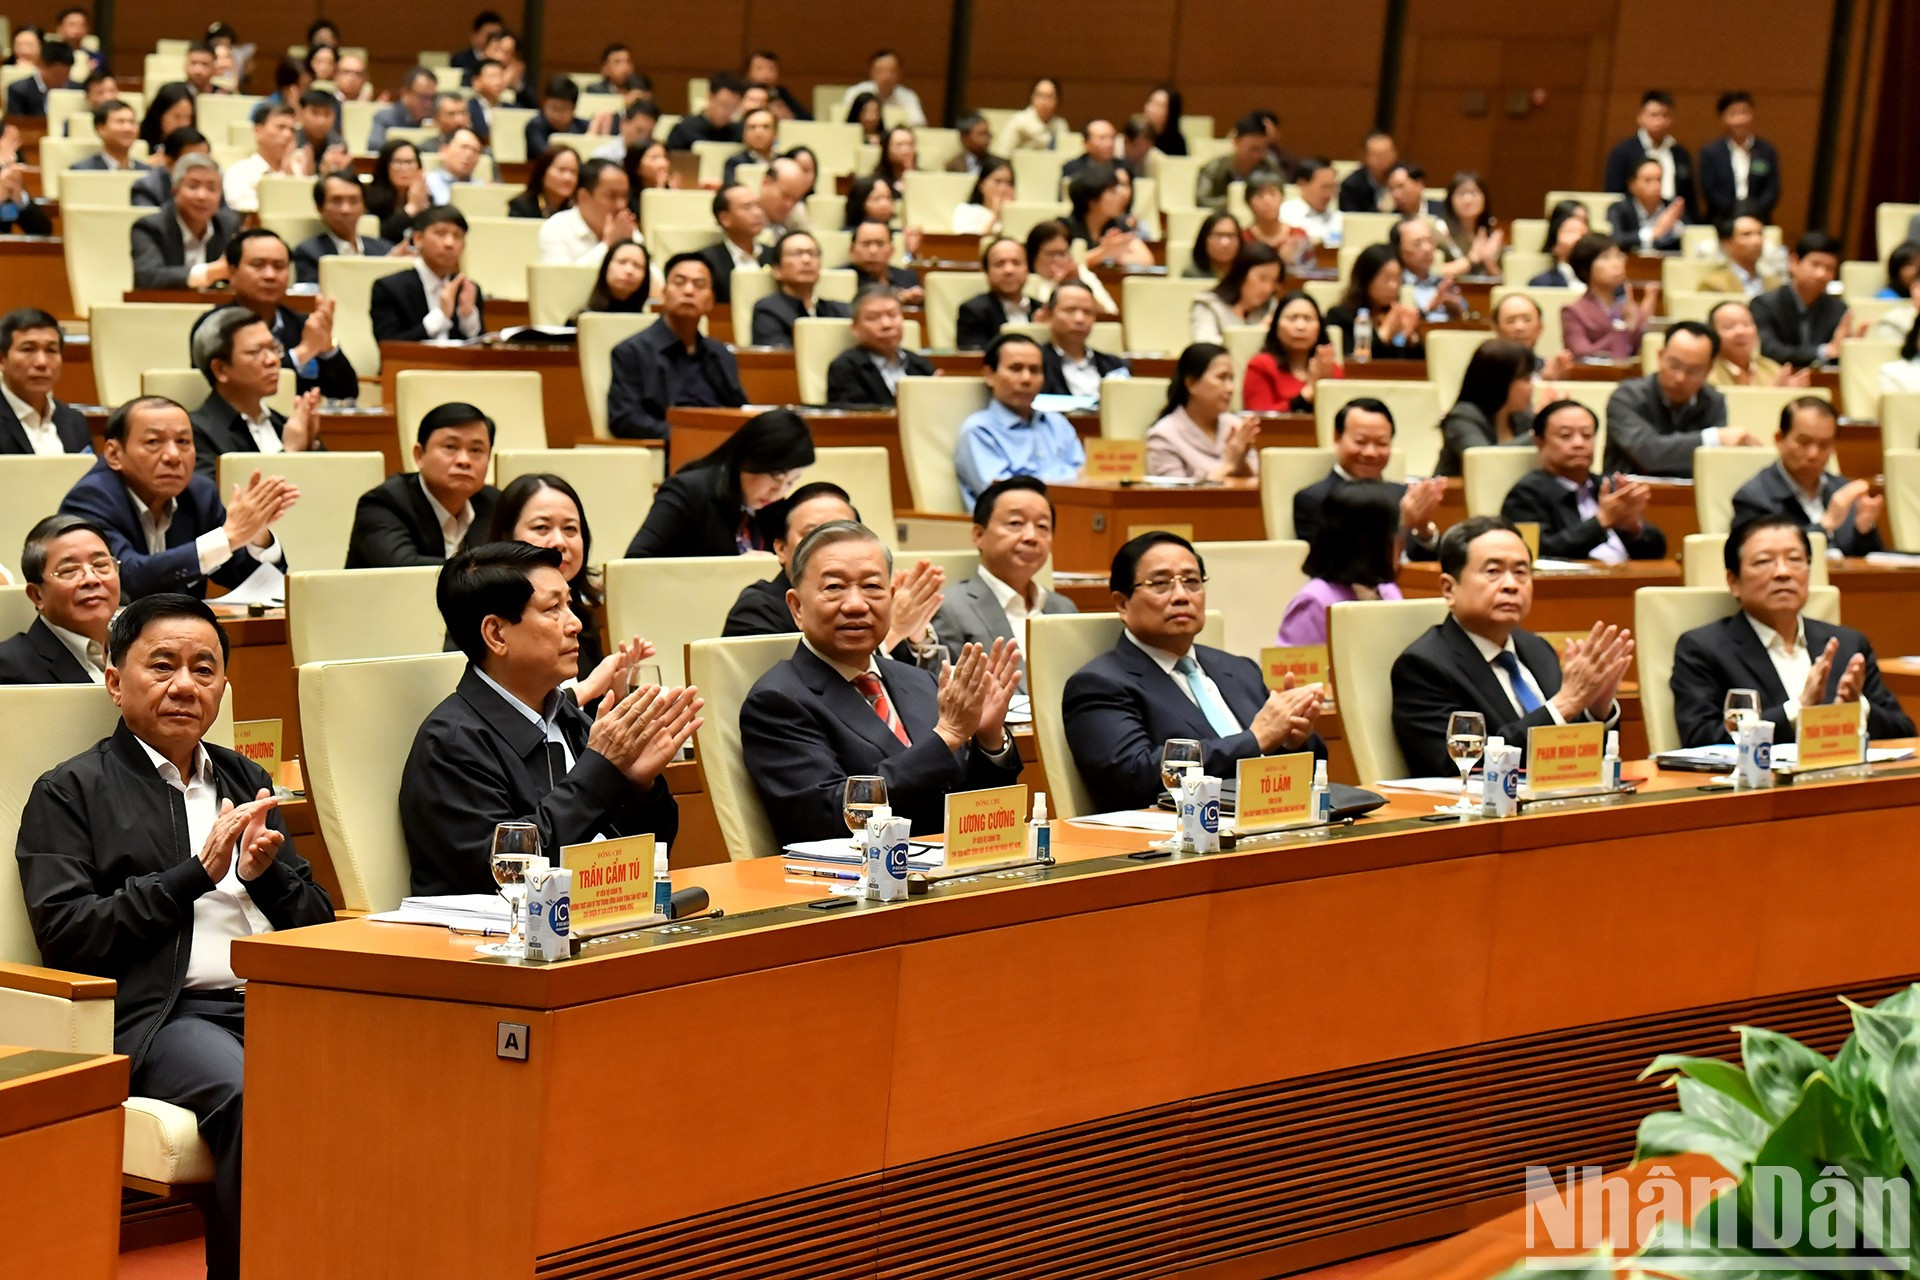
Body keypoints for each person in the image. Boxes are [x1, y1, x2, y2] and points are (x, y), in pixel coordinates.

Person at [17, 592, 333, 1280]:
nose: (185, 685)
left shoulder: (246, 777)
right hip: (164, 1014)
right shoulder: (69, 791)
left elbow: (317, 924)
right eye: (162, 666)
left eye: (204, 669)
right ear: (114, 680)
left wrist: (267, 878)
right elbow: (67, 933)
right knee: (251, 1094)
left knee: (400, 1066)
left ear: (223, 686)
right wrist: (195, 875)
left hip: (274, 998)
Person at [400, 542, 694, 894]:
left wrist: (639, 788)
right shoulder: (451, 743)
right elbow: (506, 874)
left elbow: (648, 857)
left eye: (569, 604)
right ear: (496, 634)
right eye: (553, 608)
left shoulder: (567, 717)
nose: (575, 623)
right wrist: (600, 772)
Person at [741, 520, 1019, 843]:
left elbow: (975, 811)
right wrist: (947, 736)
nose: (856, 605)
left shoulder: (921, 681)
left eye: (872, 587)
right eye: (834, 587)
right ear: (797, 607)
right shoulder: (778, 700)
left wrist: (989, 738)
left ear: (891, 598)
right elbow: (830, 817)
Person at [1063, 532, 1325, 811]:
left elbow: (1316, 768)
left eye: (1191, 582)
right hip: (1178, 829)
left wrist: (1291, 741)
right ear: (1122, 603)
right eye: (1160, 583)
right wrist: (1255, 740)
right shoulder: (1100, 684)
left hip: (1269, 817)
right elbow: (1135, 773)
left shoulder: (1239, 669)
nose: (1181, 596)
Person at [1390, 517, 1631, 777]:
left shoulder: (1538, 649)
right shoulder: (1424, 666)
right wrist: (1565, 704)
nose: (1511, 585)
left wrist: (1596, 710)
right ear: (1449, 589)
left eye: (1521, 572)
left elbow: (1573, 755)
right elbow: (1458, 766)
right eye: (1493, 571)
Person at [1671, 515, 1912, 748]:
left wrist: (1859, 709)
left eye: (1795, 559)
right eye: (1764, 561)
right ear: (1734, 581)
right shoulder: (1703, 649)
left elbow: (1904, 732)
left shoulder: (1848, 644)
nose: (1783, 572)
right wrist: (1797, 711)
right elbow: (1701, 738)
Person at [60, 397, 293, 599]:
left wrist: (256, 535)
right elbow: (127, 577)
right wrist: (230, 537)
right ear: (114, 454)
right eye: (153, 442)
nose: (173, 456)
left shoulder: (199, 494)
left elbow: (244, 577)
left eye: (183, 442)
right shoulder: (91, 499)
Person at [721, 482, 943, 662]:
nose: (830, 546)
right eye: (812, 534)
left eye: (843, 534)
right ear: (780, 548)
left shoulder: (874, 598)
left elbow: (917, 688)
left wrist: (916, 633)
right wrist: (893, 630)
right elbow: (782, 691)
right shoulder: (756, 610)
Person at [931, 478, 1078, 685]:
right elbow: (939, 686)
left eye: (1042, 526)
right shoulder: (950, 608)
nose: (1031, 536)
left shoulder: (1064, 609)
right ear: (978, 535)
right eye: (1015, 523)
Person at [624, 409, 812, 557]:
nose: (779, 491)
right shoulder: (687, 492)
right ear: (749, 457)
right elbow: (635, 563)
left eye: (791, 482)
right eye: (776, 476)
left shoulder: (773, 508)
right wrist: (726, 570)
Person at [192, 231, 356, 400]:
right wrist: (302, 352)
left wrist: (327, 348)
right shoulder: (214, 327)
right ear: (232, 272)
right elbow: (228, 391)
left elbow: (348, 394)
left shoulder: (302, 325)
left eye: (279, 266)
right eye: (258, 265)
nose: (270, 275)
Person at [1501, 399, 1667, 563]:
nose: (1579, 443)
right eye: (1566, 436)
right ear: (1540, 442)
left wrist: (1635, 528)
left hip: (1624, 575)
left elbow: (1656, 553)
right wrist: (1600, 521)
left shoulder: (1607, 486)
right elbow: (1537, 552)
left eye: (1587, 435)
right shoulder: (1526, 494)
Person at [605, 253, 746, 439]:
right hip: (670, 447)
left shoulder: (720, 354)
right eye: (679, 282)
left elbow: (739, 409)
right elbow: (626, 419)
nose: (688, 291)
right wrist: (688, 437)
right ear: (664, 294)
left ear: (711, 301)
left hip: (724, 447)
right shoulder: (632, 352)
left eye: (699, 285)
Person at [346, 402, 499, 568]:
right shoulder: (383, 504)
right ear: (419, 455)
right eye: (450, 447)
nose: (464, 460)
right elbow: (404, 568)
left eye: (476, 450)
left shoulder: (495, 503)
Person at [1732, 397, 1883, 557]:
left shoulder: (1842, 489)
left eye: (1824, 445)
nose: (1813, 454)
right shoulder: (1753, 498)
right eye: (1804, 442)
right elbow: (1758, 557)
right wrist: (1826, 524)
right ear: (1779, 439)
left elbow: (1870, 563)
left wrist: (1864, 530)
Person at [1292, 399, 1444, 557]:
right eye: (1361, 442)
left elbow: (1429, 562)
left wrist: (1423, 529)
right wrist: (1404, 525)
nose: (1370, 452)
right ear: (1337, 438)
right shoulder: (1314, 499)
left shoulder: (1405, 496)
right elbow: (1329, 563)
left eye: (1381, 443)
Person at [185, 307, 321, 479]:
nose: (272, 360)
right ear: (220, 369)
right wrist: (290, 452)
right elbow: (221, 492)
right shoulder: (194, 433)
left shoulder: (284, 424)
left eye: (274, 348)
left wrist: (311, 445)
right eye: (255, 352)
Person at [1603, 321, 1754, 475]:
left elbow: (1714, 464)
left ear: (1708, 370)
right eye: (1674, 366)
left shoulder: (1714, 402)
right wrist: (1713, 438)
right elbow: (1649, 453)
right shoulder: (1626, 397)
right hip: (1630, 489)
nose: (1680, 378)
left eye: (1693, 371)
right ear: (1660, 356)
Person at [955, 334, 1085, 506]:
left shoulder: (1057, 424)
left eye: (1035, 370)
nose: (1026, 379)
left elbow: (1087, 479)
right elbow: (1005, 499)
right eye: (1016, 369)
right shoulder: (980, 431)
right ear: (990, 375)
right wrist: (1067, 482)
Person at [1277, 481, 1404, 645]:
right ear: (1371, 543)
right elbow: (1292, 660)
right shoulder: (1314, 602)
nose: (1400, 542)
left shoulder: (1389, 592)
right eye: (1395, 533)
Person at [0, 514, 119, 684]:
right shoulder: (8, 668)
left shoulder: (137, 651)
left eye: (101, 565)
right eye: (69, 570)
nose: (91, 579)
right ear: (37, 595)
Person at [370, 206, 486, 342]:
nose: (450, 243)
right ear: (418, 239)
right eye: (440, 234)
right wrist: (441, 316)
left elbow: (480, 347)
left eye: (457, 236)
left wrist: (467, 316)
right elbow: (388, 345)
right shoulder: (389, 288)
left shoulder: (467, 289)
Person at [1146, 342, 1258, 481]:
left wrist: (1241, 463)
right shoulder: (1164, 436)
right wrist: (1229, 466)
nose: (1230, 388)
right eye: (1221, 377)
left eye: (1231, 379)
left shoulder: (1236, 427)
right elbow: (1175, 494)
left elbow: (1257, 484)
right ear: (1192, 384)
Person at [1751, 232, 1860, 367]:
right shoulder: (1764, 304)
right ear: (1794, 262)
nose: (1821, 274)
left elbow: (1836, 355)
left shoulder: (1838, 309)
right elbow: (1770, 350)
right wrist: (1824, 351)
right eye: (1815, 264)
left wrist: (1850, 348)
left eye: (1829, 268)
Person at [131, 155, 240, 289]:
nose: (202, 196)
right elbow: (147, 277)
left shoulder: (228, 226)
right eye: (193, 186)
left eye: (211, 189)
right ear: (175, 191)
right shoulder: (150, 227)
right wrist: (209, 272)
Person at [1434, 339, 1536, 477]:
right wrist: (1537, 436)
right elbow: (1483, 463)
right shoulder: (1462, 419)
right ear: (1501, 382)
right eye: (1525, 379)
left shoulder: (1521, 416)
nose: (1531, 386)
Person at [0, 308, 90, 455]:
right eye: (28, 349)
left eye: (51, 350)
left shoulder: (74, 422)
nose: (41, 362)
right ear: (2, 360)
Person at [827, 284, 934, 407]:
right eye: (873, 318)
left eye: (892, 315)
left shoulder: (921, 365)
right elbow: (853, 415)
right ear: (855, 327)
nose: (886, 324)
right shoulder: (845, 368)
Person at [1602, 90, 1699, 216]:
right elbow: (1614, 192)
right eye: (1654, 115)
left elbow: (1689, 196)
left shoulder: (1680, 153)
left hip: (1674, 217)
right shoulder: (1623, 152)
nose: (1660, 121)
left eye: (1665, 116)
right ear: (1640, 117)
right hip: (1634, 218)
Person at [1243, 291, 1343, 412]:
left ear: (1319, 328)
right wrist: (1305, 396)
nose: (1300, 326)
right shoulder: (1261, 365)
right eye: (1292, 318)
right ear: (1276, 325)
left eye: (1308, 319)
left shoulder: (1331, 370)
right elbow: (1258, 417)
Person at [1561, 232, 1656, 360]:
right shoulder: (1574, 312)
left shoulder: (1629, 308)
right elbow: (1580, 354)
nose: (1616, 264)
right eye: (1605, 258)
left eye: (1618, 256)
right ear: (1585, 268)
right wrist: (1623, 330)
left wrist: (1642, 321)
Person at [751, 230, 851, 348]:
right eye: (796, 254)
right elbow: (778, 355)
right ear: (777, 270)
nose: (806, 260)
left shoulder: (842, 311)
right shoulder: (768, 310)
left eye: (812, 254)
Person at [292, 171, 396, 284]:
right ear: (319, 208)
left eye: (354, 201)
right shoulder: (309, 252)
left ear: (364, 207)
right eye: (336, 201)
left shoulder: (385, 250)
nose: (346, 210)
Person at [1326, 243, 1424, 361]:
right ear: (1366, 279)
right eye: (1386, 278)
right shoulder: (1340, 316)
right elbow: (1352, 362)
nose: (1393, 286)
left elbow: (1413, 364)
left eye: (1397, 278)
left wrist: (1410, 338)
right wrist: (1385, 333)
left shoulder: (1397, 315)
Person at [535, 157, 637, 266]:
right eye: (612, 196)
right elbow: (562, 276)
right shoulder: (555, 228)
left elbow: (648, 274)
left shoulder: (625, 228)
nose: (621, 205)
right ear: (583, 197)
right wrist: (607, 245)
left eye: (625, 196)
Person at [1699, 91, 1781, 226]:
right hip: (1721, 221)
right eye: (1733, 114)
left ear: (1752, 115)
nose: (1740, 120)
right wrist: (1735, 213)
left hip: (1759, 220)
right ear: (1722, 118)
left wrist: (1753, 212)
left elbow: (1772, 189)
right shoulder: (1711, 152)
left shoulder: (1766, 150)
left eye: (1744, 113)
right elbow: (1710, 190)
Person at [1040, 280, 1128, 398]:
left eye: (1087, 312)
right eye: (1070, 310)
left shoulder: (1115, 365)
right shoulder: (1035, 364)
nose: (1080, 319)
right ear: (1049, 315)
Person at [220, 103, 307, 214]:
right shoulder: (240, 172)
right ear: (258, 131)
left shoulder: (297, 171)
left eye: (292, 130)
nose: (288, 135)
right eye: (280, 127)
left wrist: (289, 174)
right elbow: (249, 211)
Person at [1190, 241, 1282, 344]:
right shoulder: (1208, 304)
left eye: (1274, 281)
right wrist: (1257, 333)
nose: (1268, 288)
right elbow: (1205, 346)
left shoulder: (1272, 308)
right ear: (1241, 274)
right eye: (1262, 279)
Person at [695, 184, 772, 306]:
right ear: (724, 218)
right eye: (747, 207)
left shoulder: (775, 255)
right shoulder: (706, 261)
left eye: (758, 205)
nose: (757, 213)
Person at [955, 237, 1036, 351]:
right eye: (999, 264)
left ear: (1028, 269)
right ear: (986, 271)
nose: (1009, 270)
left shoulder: (1042, 310)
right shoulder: (973, 311)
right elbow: (976, 356)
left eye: (1016, 263)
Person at [1064, 162, 1152, 268]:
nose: (1121, 196)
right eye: (1112, 192)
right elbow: (1065, 263)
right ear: (1092, 200)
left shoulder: (1119, 224)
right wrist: (1104, 252)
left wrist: (1116, 254)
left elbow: (1147, 260)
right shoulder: (1065, 228)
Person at [1025, 218, 1119, 313]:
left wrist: (1077, 284)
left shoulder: (1082, 275)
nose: (1057, 260)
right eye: (1051, 254)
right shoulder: (1025, 280)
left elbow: (1109, 313)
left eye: (1062, 253)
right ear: (1034, 256)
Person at [1196, 115, 1284, 214]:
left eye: (1262, 149)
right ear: (1236, 142)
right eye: (1252, 149)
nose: (1256, 155)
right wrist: (1234, 203)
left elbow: (1281, 192)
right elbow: (1202, 200)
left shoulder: (1269, 167)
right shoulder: (1213, 168)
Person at [1707, 298, 1803, 387]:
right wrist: (1772, 392)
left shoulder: (1772, 369)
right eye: (1729, 326)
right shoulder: (1708, 374)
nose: (1741, 332)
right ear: (1713, 335)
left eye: (1746, 324)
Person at [1393, 218, 1467, 322]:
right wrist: (1428, 308)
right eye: (1417, 243)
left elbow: (1468, 315)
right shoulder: (1395, 285)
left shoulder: (1443, 283)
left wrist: (1457, 310)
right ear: (1399, 250)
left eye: (1430, 240)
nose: (1427, 248)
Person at [1607, 156, 1685, 253]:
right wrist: (1654, 233)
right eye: (1648, 180)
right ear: (1632, 184)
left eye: (1659, 179)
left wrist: (1676, 228)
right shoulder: (1619, 208)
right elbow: (1617, 239)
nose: (1656, 185)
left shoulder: (1672, 207)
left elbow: (1691, 234)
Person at [1698, 212, 1781, 298]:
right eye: (1747, 234)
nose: (1757, 241)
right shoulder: (1714, 285)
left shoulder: (1776, 284)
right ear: (1727, 243)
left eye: (1760, 234)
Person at [1492, 294, 1574, 379]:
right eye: (1511, 321)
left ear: (1540, 328)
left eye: (1527, 320)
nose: (1520, 327)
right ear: (1496, 329)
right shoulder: (1486, 369)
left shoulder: (1548, 368)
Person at [364, 140, 431, 243]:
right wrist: (411, 209)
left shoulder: (425, 198)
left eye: (409, 162)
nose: (404, 168)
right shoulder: (370, 200)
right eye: (397, 162)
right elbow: (375, 235)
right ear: (385, 167)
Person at [839, 50, 927, 129]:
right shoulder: (856, 92)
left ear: (899, 73)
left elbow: (918, 123)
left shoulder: (908, 96)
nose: (887, 76)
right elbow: (844, 122)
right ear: (872, 72)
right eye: (881, 71)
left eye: (892, 71)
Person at [1437, 172, 1504, 274]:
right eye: (1461, 194)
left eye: (1474, 193)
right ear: (1450, 200)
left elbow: (1502, 280)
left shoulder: (1491, 234)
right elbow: (1433, 272)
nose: (1468, 200)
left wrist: (1489, 261)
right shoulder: (1440, 231)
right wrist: (1471, 259)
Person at [846, 217, 922, 301]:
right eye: (866, 244)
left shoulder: (908, 277)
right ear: (851, 250)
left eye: (880, 244)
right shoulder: (842, 278)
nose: (873, 251)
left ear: (892, 250)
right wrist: (898, 298)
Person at [367, 66, 437, 152]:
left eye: (432, 98)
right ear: (405, 93)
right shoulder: (385, 117)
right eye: (423, 97)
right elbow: (374, 146)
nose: (428, 104)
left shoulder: (436, 118)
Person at [665, 72, 743, 149]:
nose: (728, 112)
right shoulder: (684, 130)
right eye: (724, 105)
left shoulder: (739, 133)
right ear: (710, 98)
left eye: (734, 107)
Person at [1279, 157, 1342, 249]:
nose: (1329, 194)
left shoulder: (1339, 218)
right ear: (1302, 184)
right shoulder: (1284, 215)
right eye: (1324, 187)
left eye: (1333, 187)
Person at [578, 241, 651, 316]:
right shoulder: (583, 318)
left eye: (637, 265)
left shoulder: (648, 320)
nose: (629, 270)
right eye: (622, 262)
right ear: (606, 267)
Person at [71, 98, 146, 171]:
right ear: (101, 129)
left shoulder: (147, 172)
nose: (128, 128)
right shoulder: (82, 171)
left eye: (132, 122)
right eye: (120, 122)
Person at [1528, 200, 1590, 288]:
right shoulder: (1542, 283)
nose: (1578, 238)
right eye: (1571, 231)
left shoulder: (1603, 280)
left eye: (1583, 233)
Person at [996, 76, 1066, 154]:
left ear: (1058, 100)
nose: (1044, 102)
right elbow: (1002, 153)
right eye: (1040, 95)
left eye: (1049, 96)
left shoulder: (1060, 125)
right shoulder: (1018, 121)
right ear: (1032, 97)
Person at [510, 144, 580, 220]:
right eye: (561, 170)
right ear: (543, 172)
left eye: (574, 172)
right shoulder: (521, 207)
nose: (568, 178)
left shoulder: (579, 209)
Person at [4, 37, 69, 116]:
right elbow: (16, 121)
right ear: (42, 66)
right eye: (58, 74)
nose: (63, 79)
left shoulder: (75, 88)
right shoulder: (19, 90)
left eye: (66, 74)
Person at [525, 75, 586, 156]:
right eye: (553, 108)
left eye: (563, 109)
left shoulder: (582, 126)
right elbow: (546, 155)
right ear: (544, 103)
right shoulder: (535, 127)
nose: (557, 115)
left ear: (573, 108)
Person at [423, 127, 484, 206]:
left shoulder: (483, 188)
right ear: (444, 151)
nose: (469, 154)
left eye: (475, 151)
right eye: (464, 147)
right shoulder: (426, 183)